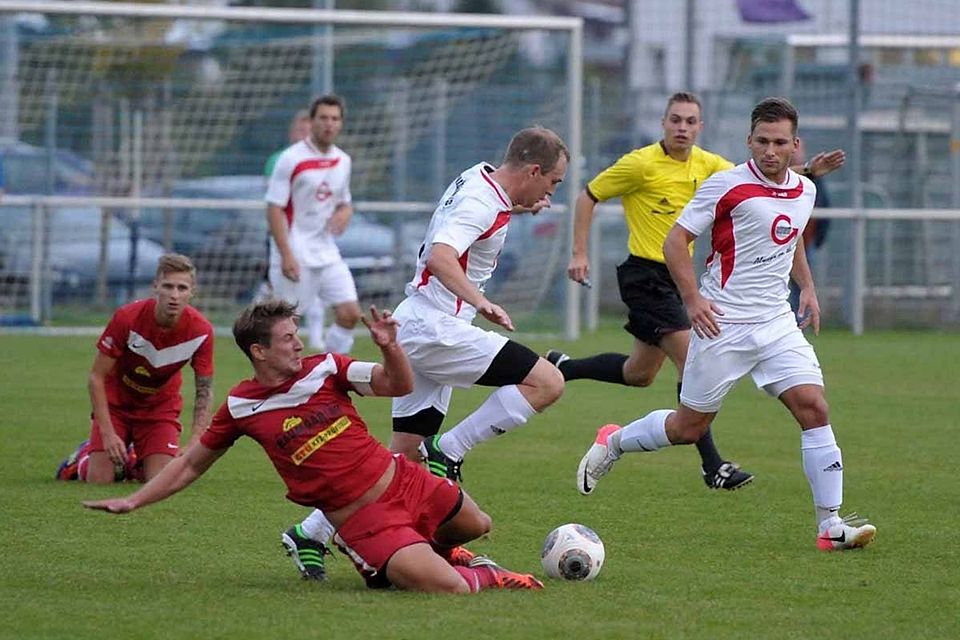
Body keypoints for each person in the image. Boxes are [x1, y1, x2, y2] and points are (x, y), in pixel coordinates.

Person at [576, 97, 877, 552]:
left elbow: (789, 235)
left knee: (813, 408)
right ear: (749, 141)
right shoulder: (726, 186)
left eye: (780, 143)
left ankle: (831, 526)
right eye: (762, 141)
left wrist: (808, 288)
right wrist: (694, 300)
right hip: (724, 323)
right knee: (687, 429)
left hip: (776, 320)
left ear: (795, 146)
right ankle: (615, 441)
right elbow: (676, 240)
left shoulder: (805, 189)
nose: (770, 151)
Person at [83, 299, 544, 594]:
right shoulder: (242, 406)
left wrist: (390, 348)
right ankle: (481, 573)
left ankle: (425, 551)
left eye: (296, 333)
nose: (298, 343)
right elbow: (188, 466)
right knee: (453, 590)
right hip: (362, 519)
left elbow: (395, 384)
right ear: (259, 352)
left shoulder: (325, 368)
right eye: (287, 338)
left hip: (405, 481)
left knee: (477, 523)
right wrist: (134, 500)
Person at [279, 127, 568, 580]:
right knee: (547, 381)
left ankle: (309, 532)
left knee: (403, 458)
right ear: (533, 170)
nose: (553, 190)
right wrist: (480, 300)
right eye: (552, 181)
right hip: (436, 327)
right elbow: (439, 255)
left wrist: (521, 205)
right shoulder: (481, 201)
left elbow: (481, 219)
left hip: (419, 324)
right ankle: (451, 448)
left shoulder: (482, 179)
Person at [56, 254, 215, 484]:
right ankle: (81, 457)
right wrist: (108, 435)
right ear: (155, 287)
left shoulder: (202, 331)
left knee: (161, 482)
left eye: (182, 288)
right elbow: (96, 377)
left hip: (159, 410)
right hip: (116, 406)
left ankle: (133, 460)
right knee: (99, 480)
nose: (174, 295)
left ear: (192, 291)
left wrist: (195, 442)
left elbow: (205, 389)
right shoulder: (127, 318)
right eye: (168, 286)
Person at [266, 94, 361, 353]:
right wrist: (286, 254)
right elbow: (274, 208)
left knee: (350, 313)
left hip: (325, 250)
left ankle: (327, 370)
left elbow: (344, 201)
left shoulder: (343, 160)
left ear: (341, 123)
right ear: (312, 121)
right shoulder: (291, 159)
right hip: (294, 249)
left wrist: (346, 212)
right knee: (286, 326)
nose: (328, 124)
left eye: (334, 119)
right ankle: (274, 384)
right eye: (323, 118)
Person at [254, 109, 313, 303]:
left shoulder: (323, 160)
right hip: (284, 228)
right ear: (291, 133)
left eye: (308, 131)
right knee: (278, 278)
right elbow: (277, 198)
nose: (304, 136)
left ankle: (311, 329)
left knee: (312, 280)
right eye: (300, 130)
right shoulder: (280, 159)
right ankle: (260, 308)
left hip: (311, 230)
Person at [788, 138, 832, 320]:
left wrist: (818, 239)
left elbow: (823, 208)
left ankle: (798, 324)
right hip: (773, 246)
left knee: (802, 287)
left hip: (805, 243)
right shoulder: (767, 177)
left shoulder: (812, 180)